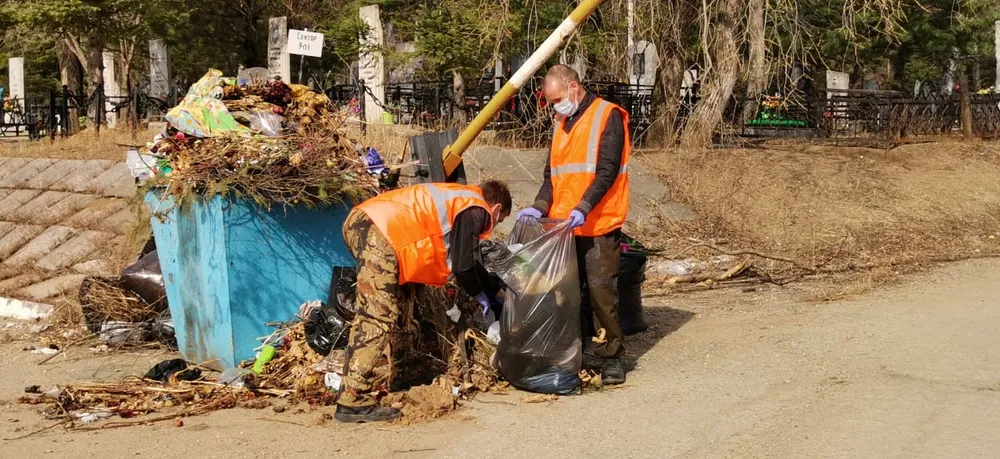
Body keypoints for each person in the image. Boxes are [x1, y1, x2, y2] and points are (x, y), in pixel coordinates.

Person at [336, 181, 512, 423]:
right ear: (496, 208)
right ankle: (352, 400)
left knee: (405, 308)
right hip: (381, 230)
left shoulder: (462, 199)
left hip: (379, 228)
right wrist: (479, 294)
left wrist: (493, 289)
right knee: (377, 315)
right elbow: (464, 265)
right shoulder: (476, 207)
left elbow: (470, 262)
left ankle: (403, 373)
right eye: (499, 220)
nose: (491, 227)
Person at [518, 64, 631, 385]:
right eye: (550, 102)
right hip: (564, 226)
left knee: (601, 292)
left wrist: (582, 208)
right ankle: (577, 352)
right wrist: (539, 207)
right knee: (568, 294)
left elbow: (606, 172)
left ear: (573, 87)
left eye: (556, 99)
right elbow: (550, 177)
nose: (554, 106)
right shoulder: (561, 122)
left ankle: (612, 355)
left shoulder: (606, 115)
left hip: (597, 221)